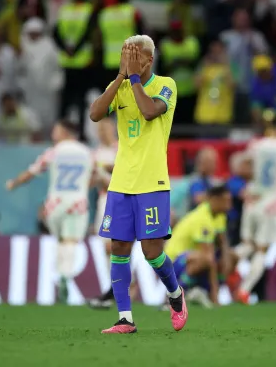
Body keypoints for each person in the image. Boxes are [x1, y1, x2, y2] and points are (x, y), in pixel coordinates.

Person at [88, 35, 186, 334]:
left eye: (135, 55)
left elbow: (149, 110)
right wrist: (120, 77)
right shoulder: (120, 85)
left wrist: (132, 78)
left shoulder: (166, 84)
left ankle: (175, 294)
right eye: (125, 54)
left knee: (152, 251)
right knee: (118, 247)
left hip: (153, 181)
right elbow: (95, 114)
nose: (130, 59)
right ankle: (125, 318)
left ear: (149, 60)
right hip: (121, 181)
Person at [5, 120, 96, 304]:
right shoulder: (87, 153)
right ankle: (65, 274)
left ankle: (60, 272)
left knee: (60, 240)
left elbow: (32, 172)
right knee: (71, 241)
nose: (53, 133)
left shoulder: (53, 152)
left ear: (65, 132)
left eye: (56, 130)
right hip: (77, 202)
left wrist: (14, 183)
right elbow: (96, 174)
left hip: (55, 203)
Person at [235, 114, 276, 304]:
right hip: (273, 204)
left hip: (253, 199)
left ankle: (224, 267)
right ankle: (244, 290)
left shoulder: (256, 145)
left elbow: (241, 168)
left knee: (247, 245)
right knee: (262, 249)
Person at [164, 185, 233, 307]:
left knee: (233, 257)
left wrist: (227, 260)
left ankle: (200, 292)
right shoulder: (202, 218)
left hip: (192, 255)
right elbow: (208, 256)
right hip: (173, 259)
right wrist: (215, 295)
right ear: (215, 200)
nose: (229, 204)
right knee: (206, 260)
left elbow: (223, 242)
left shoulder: (219, 215)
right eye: (226, 200)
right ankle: (173, 297)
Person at [88, 120, 119, 309]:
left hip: (117, 200)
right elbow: (93, 178)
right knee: (104, 247)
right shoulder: (96, 153)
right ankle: (114, 287)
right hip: (102, 201)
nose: (102, 132)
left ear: (113, 129)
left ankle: (118, 287)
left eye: (105, 128)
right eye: (99, 129)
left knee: (112, 245)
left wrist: (111, 169)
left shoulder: (121, 149)